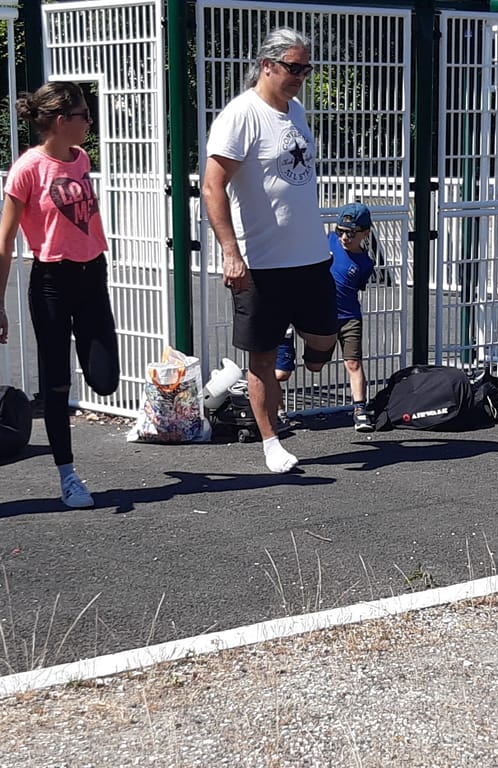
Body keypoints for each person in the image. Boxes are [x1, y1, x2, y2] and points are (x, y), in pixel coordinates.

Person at [203, 27, 341, 473]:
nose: (301, 75)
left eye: (306, 68)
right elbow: (212, 186)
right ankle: (270, 441)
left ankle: (285, 354)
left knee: (321, 347)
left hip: (311, 257)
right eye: (293, 67)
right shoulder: (241, 115)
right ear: (267, 65)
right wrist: (230, 252)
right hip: (261, 264)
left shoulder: (295, 110)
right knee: (260, 357)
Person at [0, 81, 119, 509]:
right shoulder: (28, 168)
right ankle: (68, 475)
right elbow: (5, 241)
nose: (89, 123)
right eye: (84, 115)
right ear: (62, 121)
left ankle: (84, 354)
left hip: (91, 275)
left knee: (105, 378)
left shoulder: (81, 158)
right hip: (51, 281)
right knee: (57, 385)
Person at [268, 203, 379, 431]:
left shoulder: (366, 263)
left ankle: (360, 410)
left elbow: (356, 287)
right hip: (320, 313)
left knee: (353, 362)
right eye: (341, 231)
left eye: (351, 233)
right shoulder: (327, 241)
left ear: (365, 233)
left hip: (349, 317)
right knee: (313, 366)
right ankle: (278, 409)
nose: (344, 237)